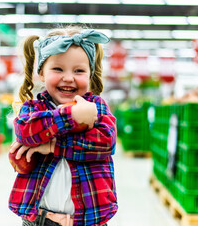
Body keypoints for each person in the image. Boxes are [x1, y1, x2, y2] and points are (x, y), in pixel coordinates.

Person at [8, 26, 117, 226]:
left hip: (89, 220)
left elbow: (105, 142)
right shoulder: (33, 108)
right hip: (39, 221)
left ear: (90, 74)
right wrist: (69, 115)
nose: (68, 77)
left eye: (79, 70)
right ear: (41, 73)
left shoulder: (96, 107)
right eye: (58, 69)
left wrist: (51, 146)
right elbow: (24, 131)